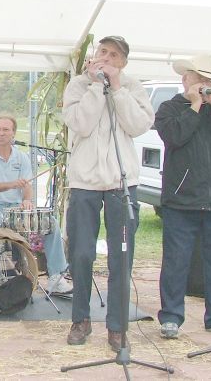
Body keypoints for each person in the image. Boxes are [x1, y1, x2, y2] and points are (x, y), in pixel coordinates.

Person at [62, 36, 154, 351]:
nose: (106, 57)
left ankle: (117, 326)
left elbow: (138, 124)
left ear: (123, 63)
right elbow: (80, 124)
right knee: (82, 254)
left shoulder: (132, 86)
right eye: (102, 51)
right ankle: (80, 319)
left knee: (121, 257)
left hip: (121, 184)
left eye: (113, 55)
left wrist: (116, 87)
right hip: (84, 183)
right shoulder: (77, 85)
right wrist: (95, 87)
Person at [156, 54, 211, 340]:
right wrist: (194, 106)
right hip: (181, 201)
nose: (205, 84)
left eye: (209, 79)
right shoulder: (170, 108)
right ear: (186, 79)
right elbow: (174, 136)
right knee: (176, 261)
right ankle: (171, 317)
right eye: (200, 78)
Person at [0, 115, 70, 294]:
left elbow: (27, 188)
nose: (1, 133)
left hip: (15, 208)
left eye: (5, 130)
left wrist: (26, 200)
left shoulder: (21, 157)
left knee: (51, 223)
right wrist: (10, 184)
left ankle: (56, 277)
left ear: (14, 133)